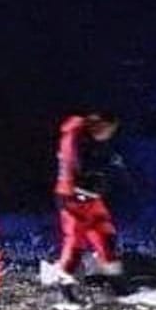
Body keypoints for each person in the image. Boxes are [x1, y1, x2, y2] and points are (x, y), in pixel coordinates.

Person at [52, 111, 124, 290]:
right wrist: (107, 164)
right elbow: (79, 167)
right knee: (75, 241)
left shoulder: (89, 139)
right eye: (110, 131)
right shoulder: (77, 138)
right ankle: (65, 281)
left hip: (90, 197)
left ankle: (114, 279)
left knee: (105, 234)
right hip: (73, 198)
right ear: (102, 125)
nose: (109, 136)